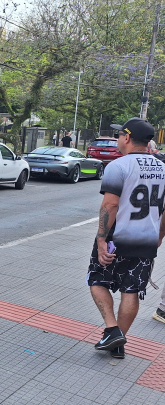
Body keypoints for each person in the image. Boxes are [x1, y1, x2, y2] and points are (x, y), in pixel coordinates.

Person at [87, 117, 164, 360]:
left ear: (127, 138)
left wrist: (101, 240)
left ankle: (112, 330)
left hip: (117, 238)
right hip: (147, 240)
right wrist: (159, 236)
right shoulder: (163, 168)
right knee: (131, 291)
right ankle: (118, 343)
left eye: (120, 134)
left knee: (97, 280)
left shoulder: (118, 166)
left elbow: (110, 205)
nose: (118, 138)